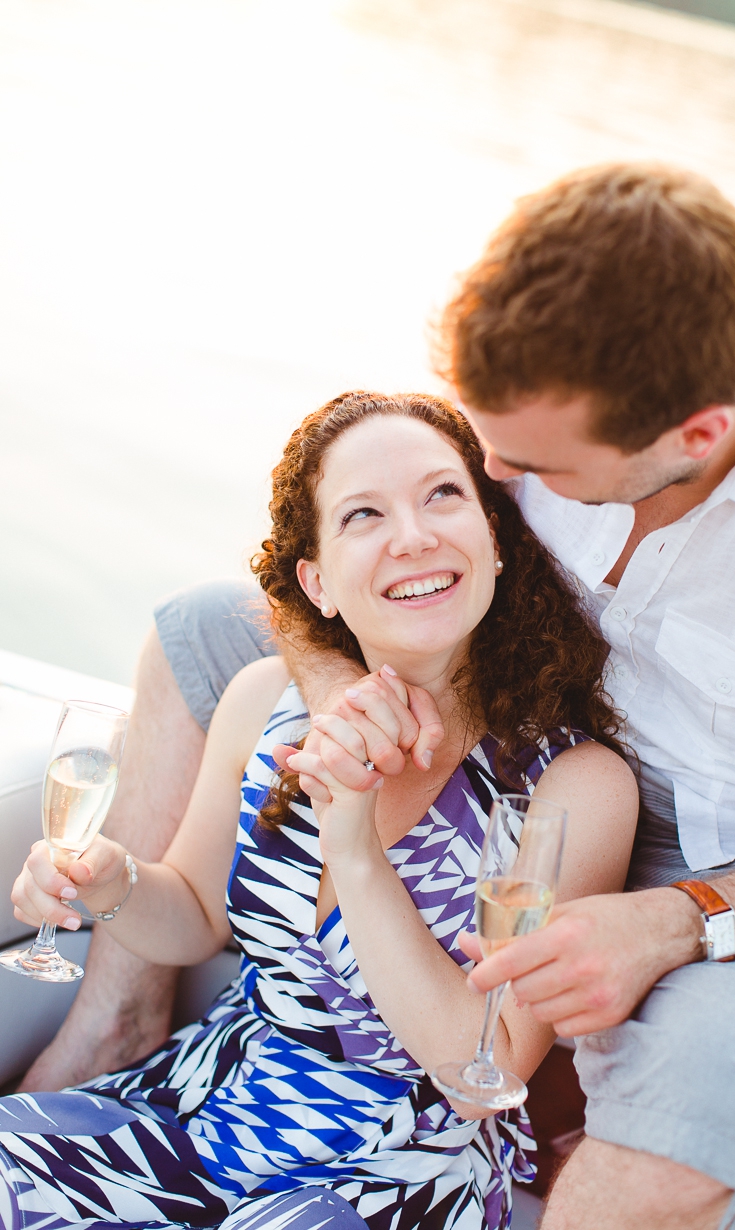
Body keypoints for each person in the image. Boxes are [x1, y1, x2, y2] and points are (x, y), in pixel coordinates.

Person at [21, 160, 735, 1228]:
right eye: (482, 461)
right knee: (196, 623)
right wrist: (336, 689)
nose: (496, 476)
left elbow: (478, 1059)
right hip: (486, 733)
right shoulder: (533, 431)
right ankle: (110, 1025)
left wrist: (680, 921)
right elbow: (337, 546)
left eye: (515, 473)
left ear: (696, 437)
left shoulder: (588, 774)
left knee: (696, 1102)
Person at [4, 392, 637, 1230]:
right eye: (363, 514)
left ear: (495, 545)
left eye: (443, 495)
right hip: (215, 1099)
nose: (412, 535)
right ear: (318, 582)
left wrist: (355, 844)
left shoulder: (573, 786)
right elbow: (192, 917)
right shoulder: (266, 699)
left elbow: (483, 1064)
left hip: (402, 1157)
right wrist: (107, 882)